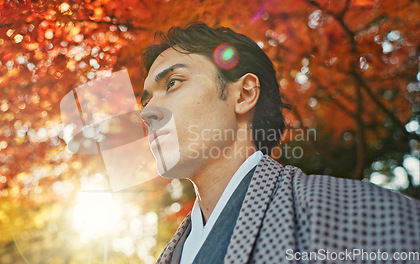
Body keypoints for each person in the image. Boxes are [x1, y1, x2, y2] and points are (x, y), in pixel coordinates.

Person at [139, 22, 419, 264]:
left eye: (173, 83)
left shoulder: (362, 214)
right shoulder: (176, 251)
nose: (147, 112)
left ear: (244, 94)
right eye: (146, 99)